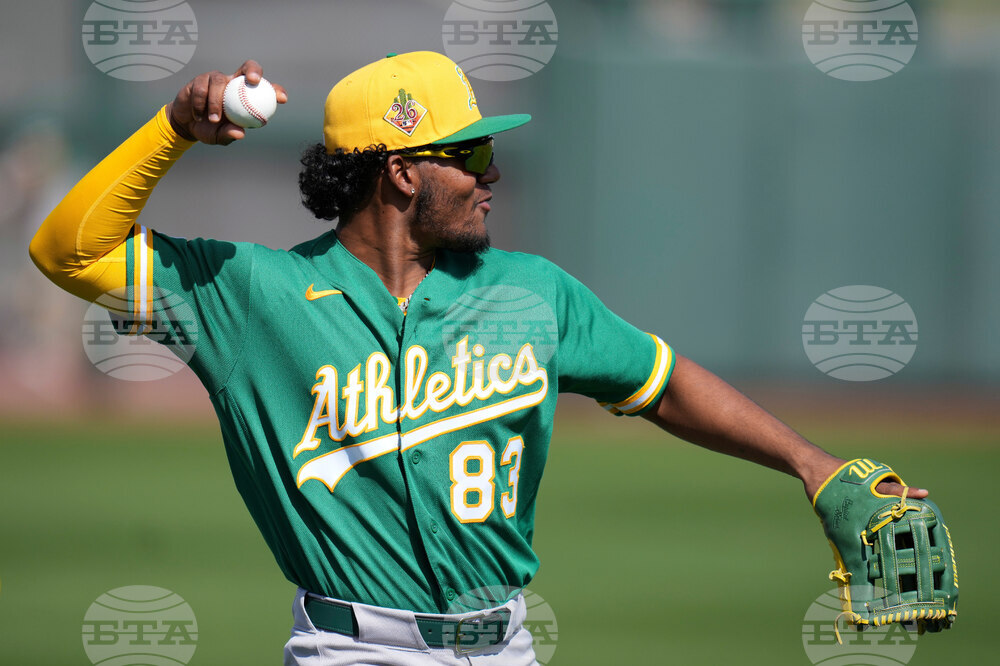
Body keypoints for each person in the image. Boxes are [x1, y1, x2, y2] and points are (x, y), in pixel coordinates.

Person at [29, 52, 925, 665]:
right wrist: (174, 127)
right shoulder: (246, 297)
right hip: (352, 649)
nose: (493, 173)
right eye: (474, 152)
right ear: (404, 172)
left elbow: (662, 382)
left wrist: (811, 465)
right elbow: (65, 250)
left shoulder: (533, 292)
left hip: (507, 647)